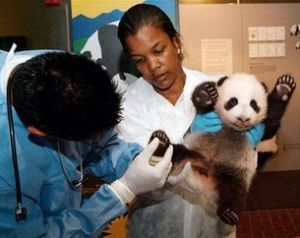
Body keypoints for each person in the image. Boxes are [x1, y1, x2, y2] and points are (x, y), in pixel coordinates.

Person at [116, 3, 295, 238]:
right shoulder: (130, 107)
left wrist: (253, 140)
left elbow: (242, 158)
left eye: (159, 50)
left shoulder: (218, 86)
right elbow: (151, 173)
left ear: (176, 42)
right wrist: (192, 136)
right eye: (140, 60)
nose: (153, 66)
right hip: (157, 228)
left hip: (215, 226)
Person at [0, 46, 174, 237]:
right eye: (91, 137)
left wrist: (140, 161)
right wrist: (122, 191)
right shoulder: (7, 168)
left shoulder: (67, 72)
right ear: (37, 132)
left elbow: (104, 146)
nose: (98, 139)